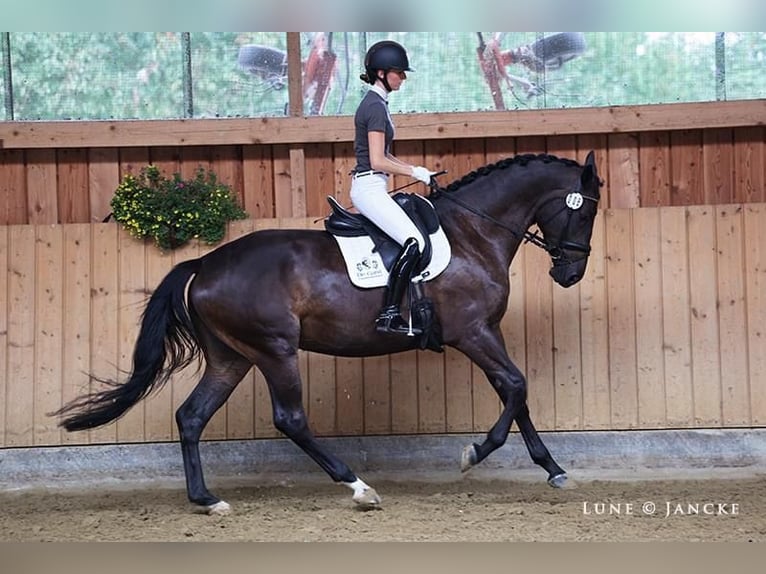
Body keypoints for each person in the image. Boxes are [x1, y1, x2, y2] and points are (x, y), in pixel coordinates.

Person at [350, 40, 436, 336]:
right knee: (415, 241)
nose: (404, 77)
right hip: (368, 187)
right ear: (382, 73)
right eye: (399, 72)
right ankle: (388, 314)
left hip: (374, 184)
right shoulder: (374, 106)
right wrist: (414, 171)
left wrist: (418, 170)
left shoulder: (379, 103)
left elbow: (385, 156)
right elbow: (376, 160)